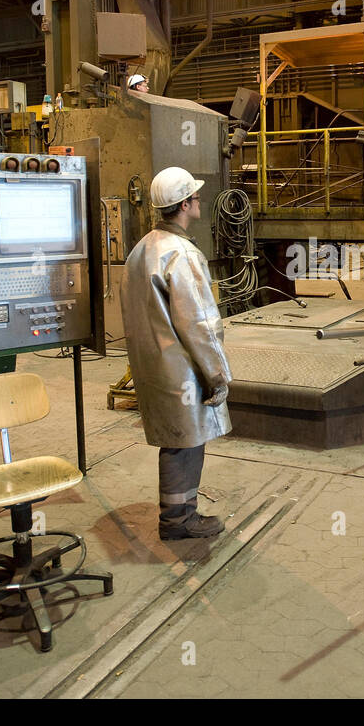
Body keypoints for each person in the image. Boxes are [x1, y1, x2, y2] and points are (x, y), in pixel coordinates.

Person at [122, 166, 230, 540]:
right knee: (185, 443)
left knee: (175, 440)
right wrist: (217, 374)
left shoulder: (142, 250)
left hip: (152, 367)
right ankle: (178, 521)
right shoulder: (181, 254)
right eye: (196, 198)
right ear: (185, 204)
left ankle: (176, 514)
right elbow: (199, 324)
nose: (198, 202)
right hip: (183, 369)